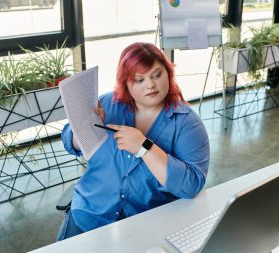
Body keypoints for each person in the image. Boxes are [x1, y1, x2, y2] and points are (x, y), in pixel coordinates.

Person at [57, 42, 210, 241]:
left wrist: (145, 147)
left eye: (157, 75)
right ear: (126, 83)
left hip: (142, 225)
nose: (151, 85)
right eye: (139, 79)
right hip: (89, 213)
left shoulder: (187, 123)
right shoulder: (108, 104)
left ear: (168, 74)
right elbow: (69, 141)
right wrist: (87, 126)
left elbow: (191, 185)